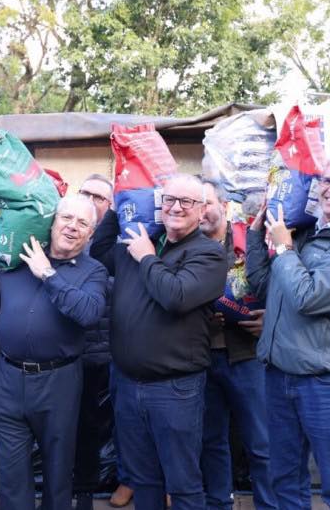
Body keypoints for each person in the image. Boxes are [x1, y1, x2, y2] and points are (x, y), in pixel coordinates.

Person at [246, 156, 330, 510]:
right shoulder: (306, 233)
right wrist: (256, 236)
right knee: (285, 479)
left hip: (326, 382)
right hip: (280, 375)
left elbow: (309, 299)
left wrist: (283, 248)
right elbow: (264, 286)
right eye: (327, 180)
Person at [0, 194, 108, 510]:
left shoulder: (91, 270)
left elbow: (89, 313)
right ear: (53, 221)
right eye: (67, 218)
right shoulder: (16, 257)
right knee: (12, 475)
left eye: (82, 223)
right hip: (9, 378)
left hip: (59, 382)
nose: (72, 227)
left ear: (91, 234)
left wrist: (48, 275)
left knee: (58, 471)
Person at [90, 174, 228, 510]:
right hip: (127, 384)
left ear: (201, 211)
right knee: (144, 479)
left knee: (182, 484)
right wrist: (117, 202)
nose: (176, 207)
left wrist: (147, 258)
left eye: (187, 202)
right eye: (169, 199)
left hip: (175, 389)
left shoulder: (208, 254)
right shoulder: (139, 241)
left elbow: (176, 297)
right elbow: (100, 250)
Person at [198, 179, 276, 510]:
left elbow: (283, 286)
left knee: (261, 442)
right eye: (193, 204)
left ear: (223, 205)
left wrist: (269, 322)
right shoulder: (183, 245)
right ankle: (218, 503)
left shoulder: (251, 240)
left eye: (206, 204)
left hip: (247, 356)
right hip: (201, 358)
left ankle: (269, 504)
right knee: (211, 440)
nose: (200, 212)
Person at [73, 174, 119, 510]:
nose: (90, 199)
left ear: (110, 206)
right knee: (75, 425)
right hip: (73, 351)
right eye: (85, 192)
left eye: (99, 196)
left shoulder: (118, 241)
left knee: (113, 423)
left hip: (111, 350)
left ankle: (120, 483)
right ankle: (77, 488)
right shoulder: (66, 233)